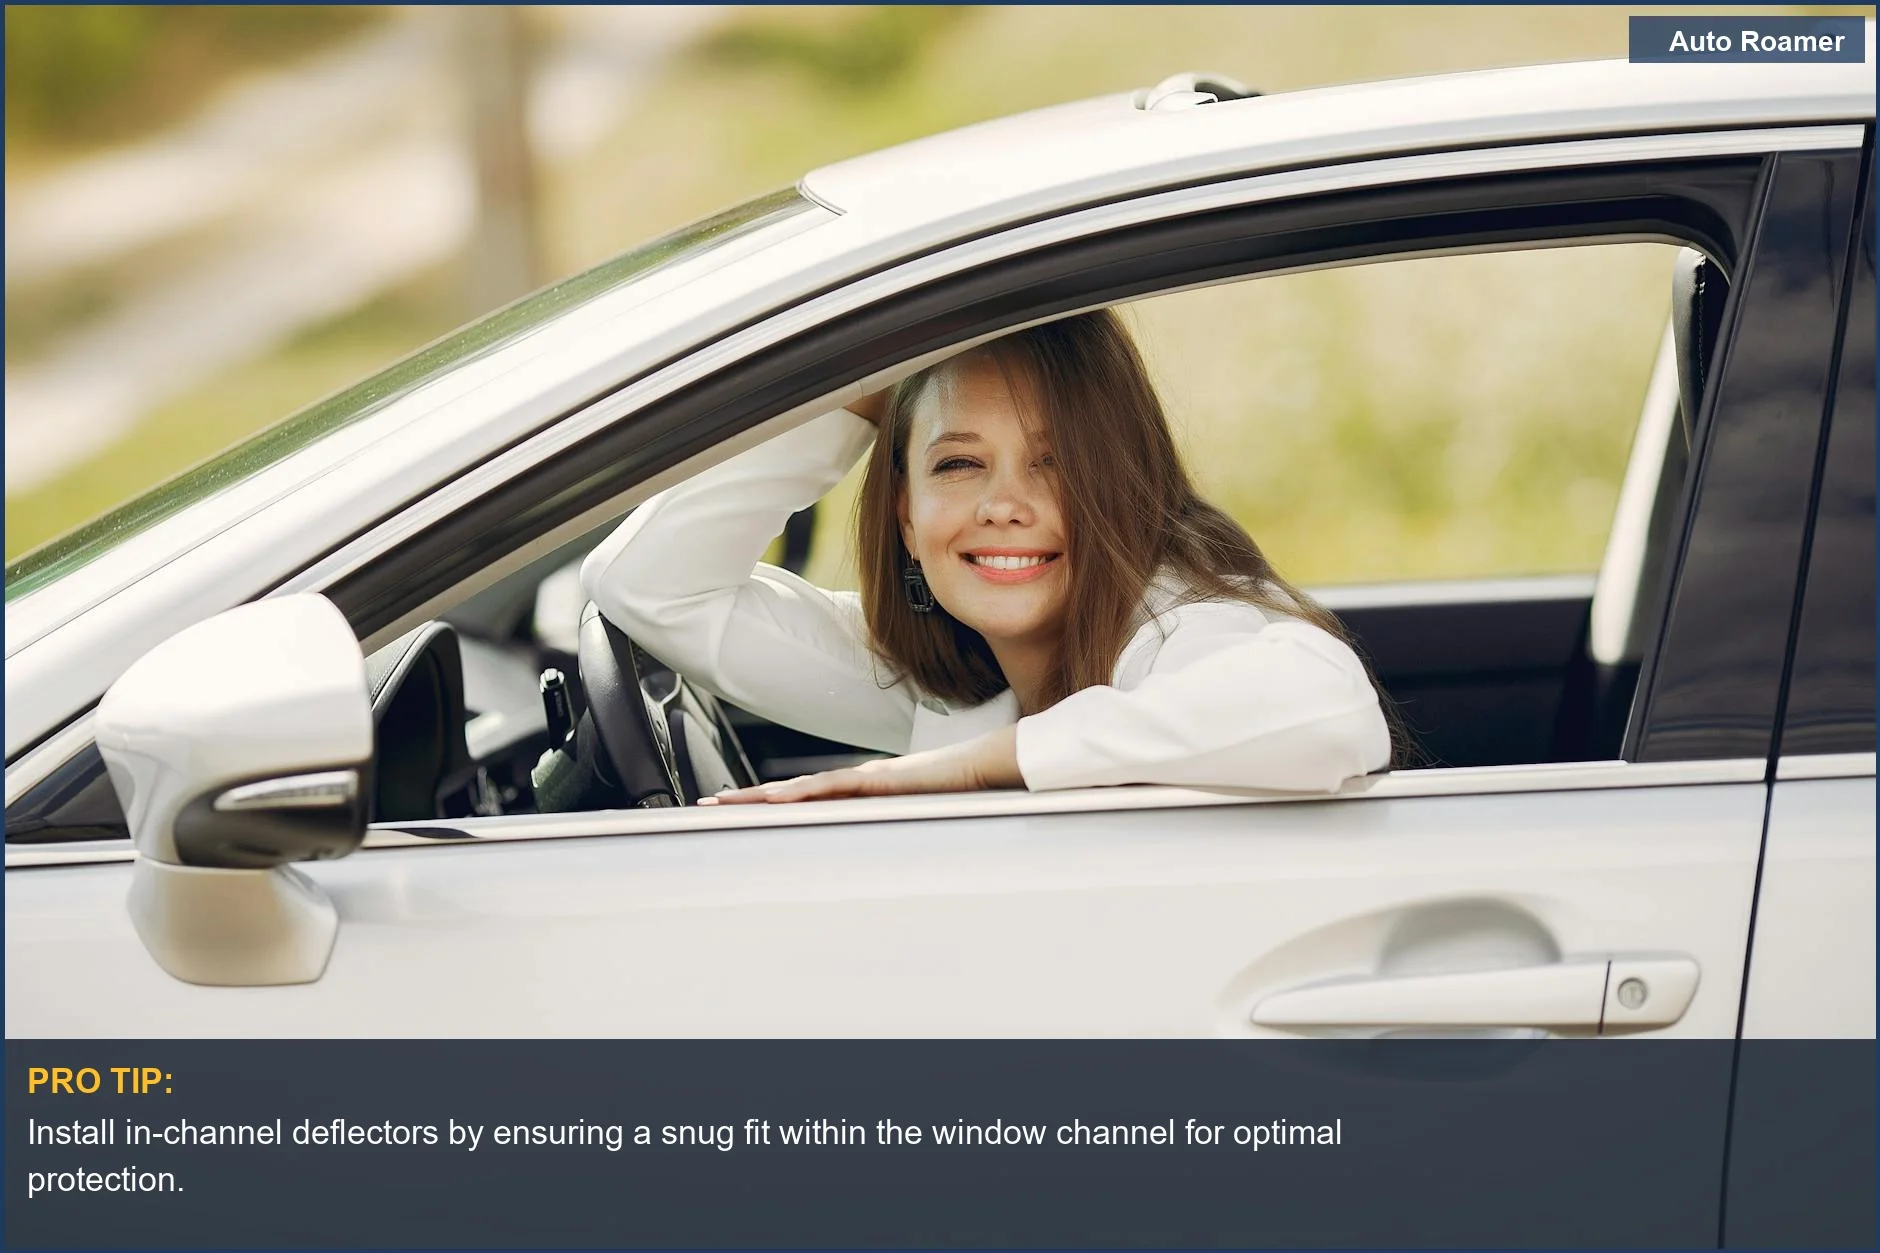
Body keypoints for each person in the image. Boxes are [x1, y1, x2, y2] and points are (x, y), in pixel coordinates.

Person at [581, 308, 1393, 804]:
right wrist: (863, 393)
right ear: (906, 516)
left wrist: (959, 773)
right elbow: (648, 586)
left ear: (1122, 485)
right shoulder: (947, 678)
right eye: (960, 463)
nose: (1005, 504)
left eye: (1056, 462)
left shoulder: (1180, 620)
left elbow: (1324, 709)